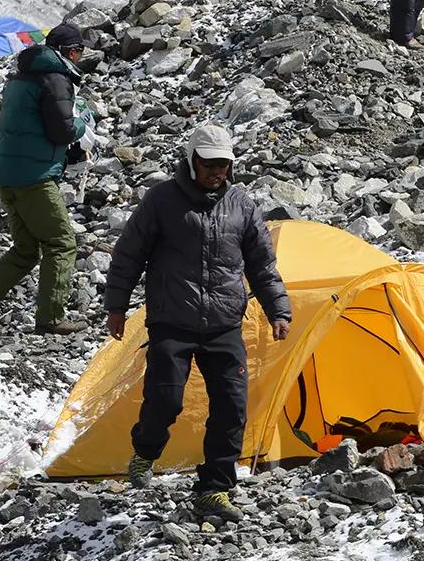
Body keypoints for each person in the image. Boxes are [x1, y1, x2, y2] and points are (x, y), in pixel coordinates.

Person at [105, 124, 291, 524]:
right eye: (208, 164)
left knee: (232, 406)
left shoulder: (241, 205)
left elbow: (262, 264)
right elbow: (128, 256)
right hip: (172, 321)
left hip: (224, 324)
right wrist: (116, 307)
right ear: (191, 161)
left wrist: (279, 310)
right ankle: (146, 452)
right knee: (166, 400)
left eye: (223, 164)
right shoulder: (162, 201)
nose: (215, 172)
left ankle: (215, 488)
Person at [0, 22, 92, 339]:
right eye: (79, 51)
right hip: (35, 179)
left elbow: (34, 128)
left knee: (26, 250)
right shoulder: (56, 79)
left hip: (8, 176)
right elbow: (62, 129)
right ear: (70, 51)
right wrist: (82, 126)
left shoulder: (20, 78)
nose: (80, 57)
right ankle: (51, 318)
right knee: (61, 242)